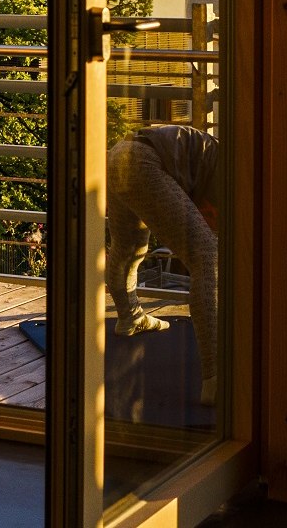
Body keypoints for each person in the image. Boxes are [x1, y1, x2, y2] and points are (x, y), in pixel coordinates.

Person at [105, 123, 221, 404]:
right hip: (146, 161)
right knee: (207, 256)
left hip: (119, 155)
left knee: (129, 247)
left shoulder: (221, 157)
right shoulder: (237, 173)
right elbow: (215, 233)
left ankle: (129, 316)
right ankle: (216, 379)